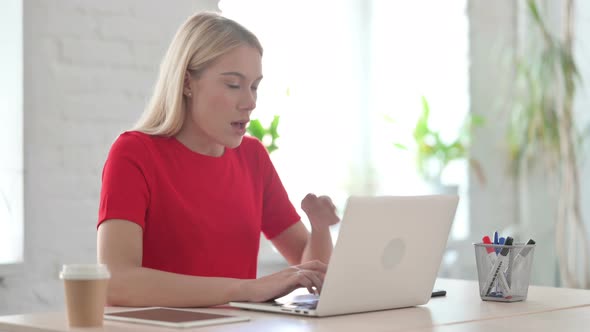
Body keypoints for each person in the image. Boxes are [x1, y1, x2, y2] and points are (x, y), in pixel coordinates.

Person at [97, 11, 340, 308]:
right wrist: (247, 289)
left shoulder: (252, 157)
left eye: (254, 86)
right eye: (233, 85)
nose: (250, 102)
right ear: (187, 83)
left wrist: (318, 227)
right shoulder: (134, 153)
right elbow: (116, 281)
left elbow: (313, 273)